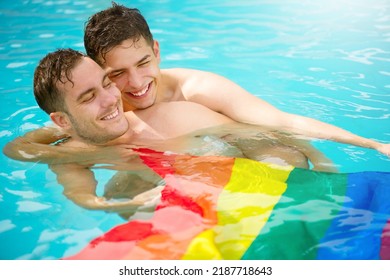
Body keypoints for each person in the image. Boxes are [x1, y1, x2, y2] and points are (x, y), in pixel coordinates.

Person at [3, 2, 389, 164]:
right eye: (117, 74)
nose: (136, 84)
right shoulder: (107, 106)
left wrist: (372, 144)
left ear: (156, 50)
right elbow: (47, 134)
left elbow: (282, 123)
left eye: (143, 63)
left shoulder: (200, 90)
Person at [13, 48, 332, 216]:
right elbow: (87, 199)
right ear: (62, 121)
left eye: (107, 83)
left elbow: (265, 136)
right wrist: (129, 204)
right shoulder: (67, 157)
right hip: (163, 193)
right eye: (89, 97)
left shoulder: (168, 117)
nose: (111, 99)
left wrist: (319, 165)